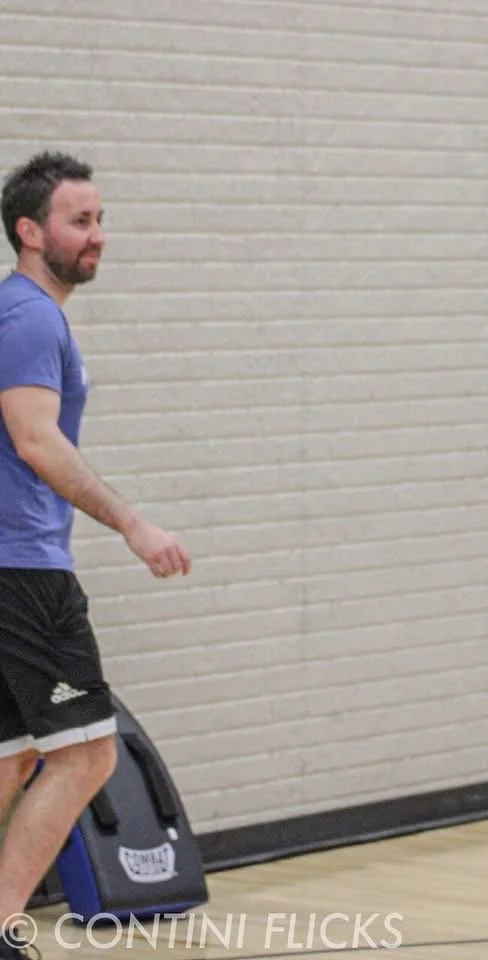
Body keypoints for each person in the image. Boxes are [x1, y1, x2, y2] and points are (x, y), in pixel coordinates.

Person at [0, 151, 192, 958]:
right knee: (84, 754)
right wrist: (134, 525)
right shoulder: (31, 316)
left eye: (101, 218)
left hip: (13, 567)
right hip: (26, 572)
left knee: (11, 759)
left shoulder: (20, 313)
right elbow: (36, 440)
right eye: (81, 220)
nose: (99, 236)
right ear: (30, 230)